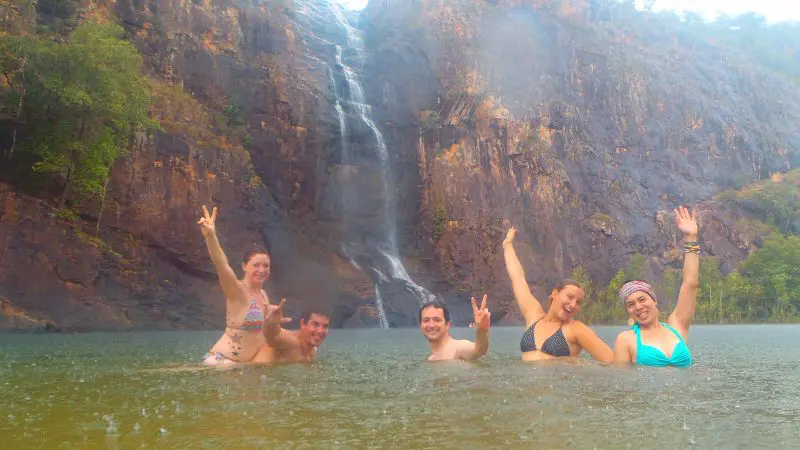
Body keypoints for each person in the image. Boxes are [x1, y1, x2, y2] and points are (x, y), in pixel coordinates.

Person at [502, 227, 613, 362]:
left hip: (557, 382)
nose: (573, 305)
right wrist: (507, 245)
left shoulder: (576, 329)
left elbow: (613, 362)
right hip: (526, 382)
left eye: (578, 302)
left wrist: (580, 366)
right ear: (555, 293)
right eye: (570, 297)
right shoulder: (534, 315)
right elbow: (518, 278)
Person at [613, 206, 698, 368]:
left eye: (642, 299)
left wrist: (691, 237)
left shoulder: (677, 325)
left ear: (654, 300)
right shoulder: (626, 339)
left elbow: (690, 284)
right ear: (628, 311)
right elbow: (622, 385)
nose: (638, 306)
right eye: (630, 304)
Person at [198, 205, 272, 366]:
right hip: (220, 363)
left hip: (241, 368)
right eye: (256, 265)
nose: (261, 270)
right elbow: (222, 265)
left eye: (266, 266)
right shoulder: (237, 290)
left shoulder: (263, 294)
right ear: (244, 266)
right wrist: (211, 237)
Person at [250, 299, 331, 363]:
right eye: (315, 324)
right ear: (303, 324)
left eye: (325, 326)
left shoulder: (312, 350)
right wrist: (270, 324)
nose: (320, 331)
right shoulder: (290, 343)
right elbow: (273, 336)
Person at [419, 296, 490, 361]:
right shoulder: (431, 359)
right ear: (421, 326)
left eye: (437, 320)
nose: (431, 325)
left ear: (447, 325)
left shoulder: (458, 348)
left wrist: (481, 330)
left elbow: (479, 350)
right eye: (426, 320)